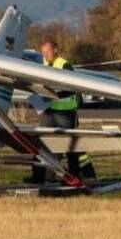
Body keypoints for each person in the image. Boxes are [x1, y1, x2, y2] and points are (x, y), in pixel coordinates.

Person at [37, 40, 96, 180]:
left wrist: (54, 92)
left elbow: (72, 87)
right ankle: (45, 176)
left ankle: (75, 176)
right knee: (46, 144)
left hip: (65, 112)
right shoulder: (44, 65)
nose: (46, 55)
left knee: (70, 146)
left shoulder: (64, 65)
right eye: (43, 52)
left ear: (55, 50)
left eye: (48, 51)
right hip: (49, 111)